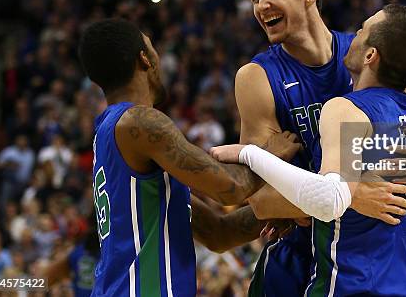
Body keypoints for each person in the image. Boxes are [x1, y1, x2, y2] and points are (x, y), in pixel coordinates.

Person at [235, 0, 406, 296]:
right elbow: (259, 199)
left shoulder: (365, 53)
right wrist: (349, 195)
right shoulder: (256, 78)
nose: (261, 6)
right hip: (295, 253)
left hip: (359, 254)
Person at [77, 18, 300, 296]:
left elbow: (220, 233)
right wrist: (270, 154)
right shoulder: (138, 121)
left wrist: (285, 210)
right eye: (152, 47)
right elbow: (232, 188)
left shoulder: (109, 136)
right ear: (144, 59)